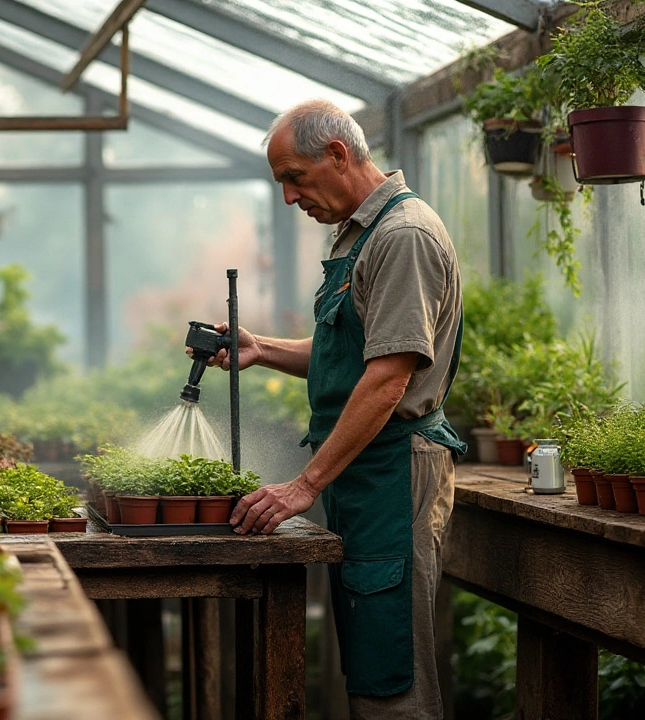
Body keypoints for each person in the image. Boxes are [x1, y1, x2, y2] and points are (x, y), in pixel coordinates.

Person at [199, 99, 465, 719]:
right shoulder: (360, 232)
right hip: (364, 473)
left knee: (392, 674)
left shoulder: (403, 236)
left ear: (338, 155)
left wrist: (303, 485)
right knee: (370, 661)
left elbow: (387, 379)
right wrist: (260, 348)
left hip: (394, 472)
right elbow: (344, 354)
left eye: (295, 177)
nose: (290, 199)